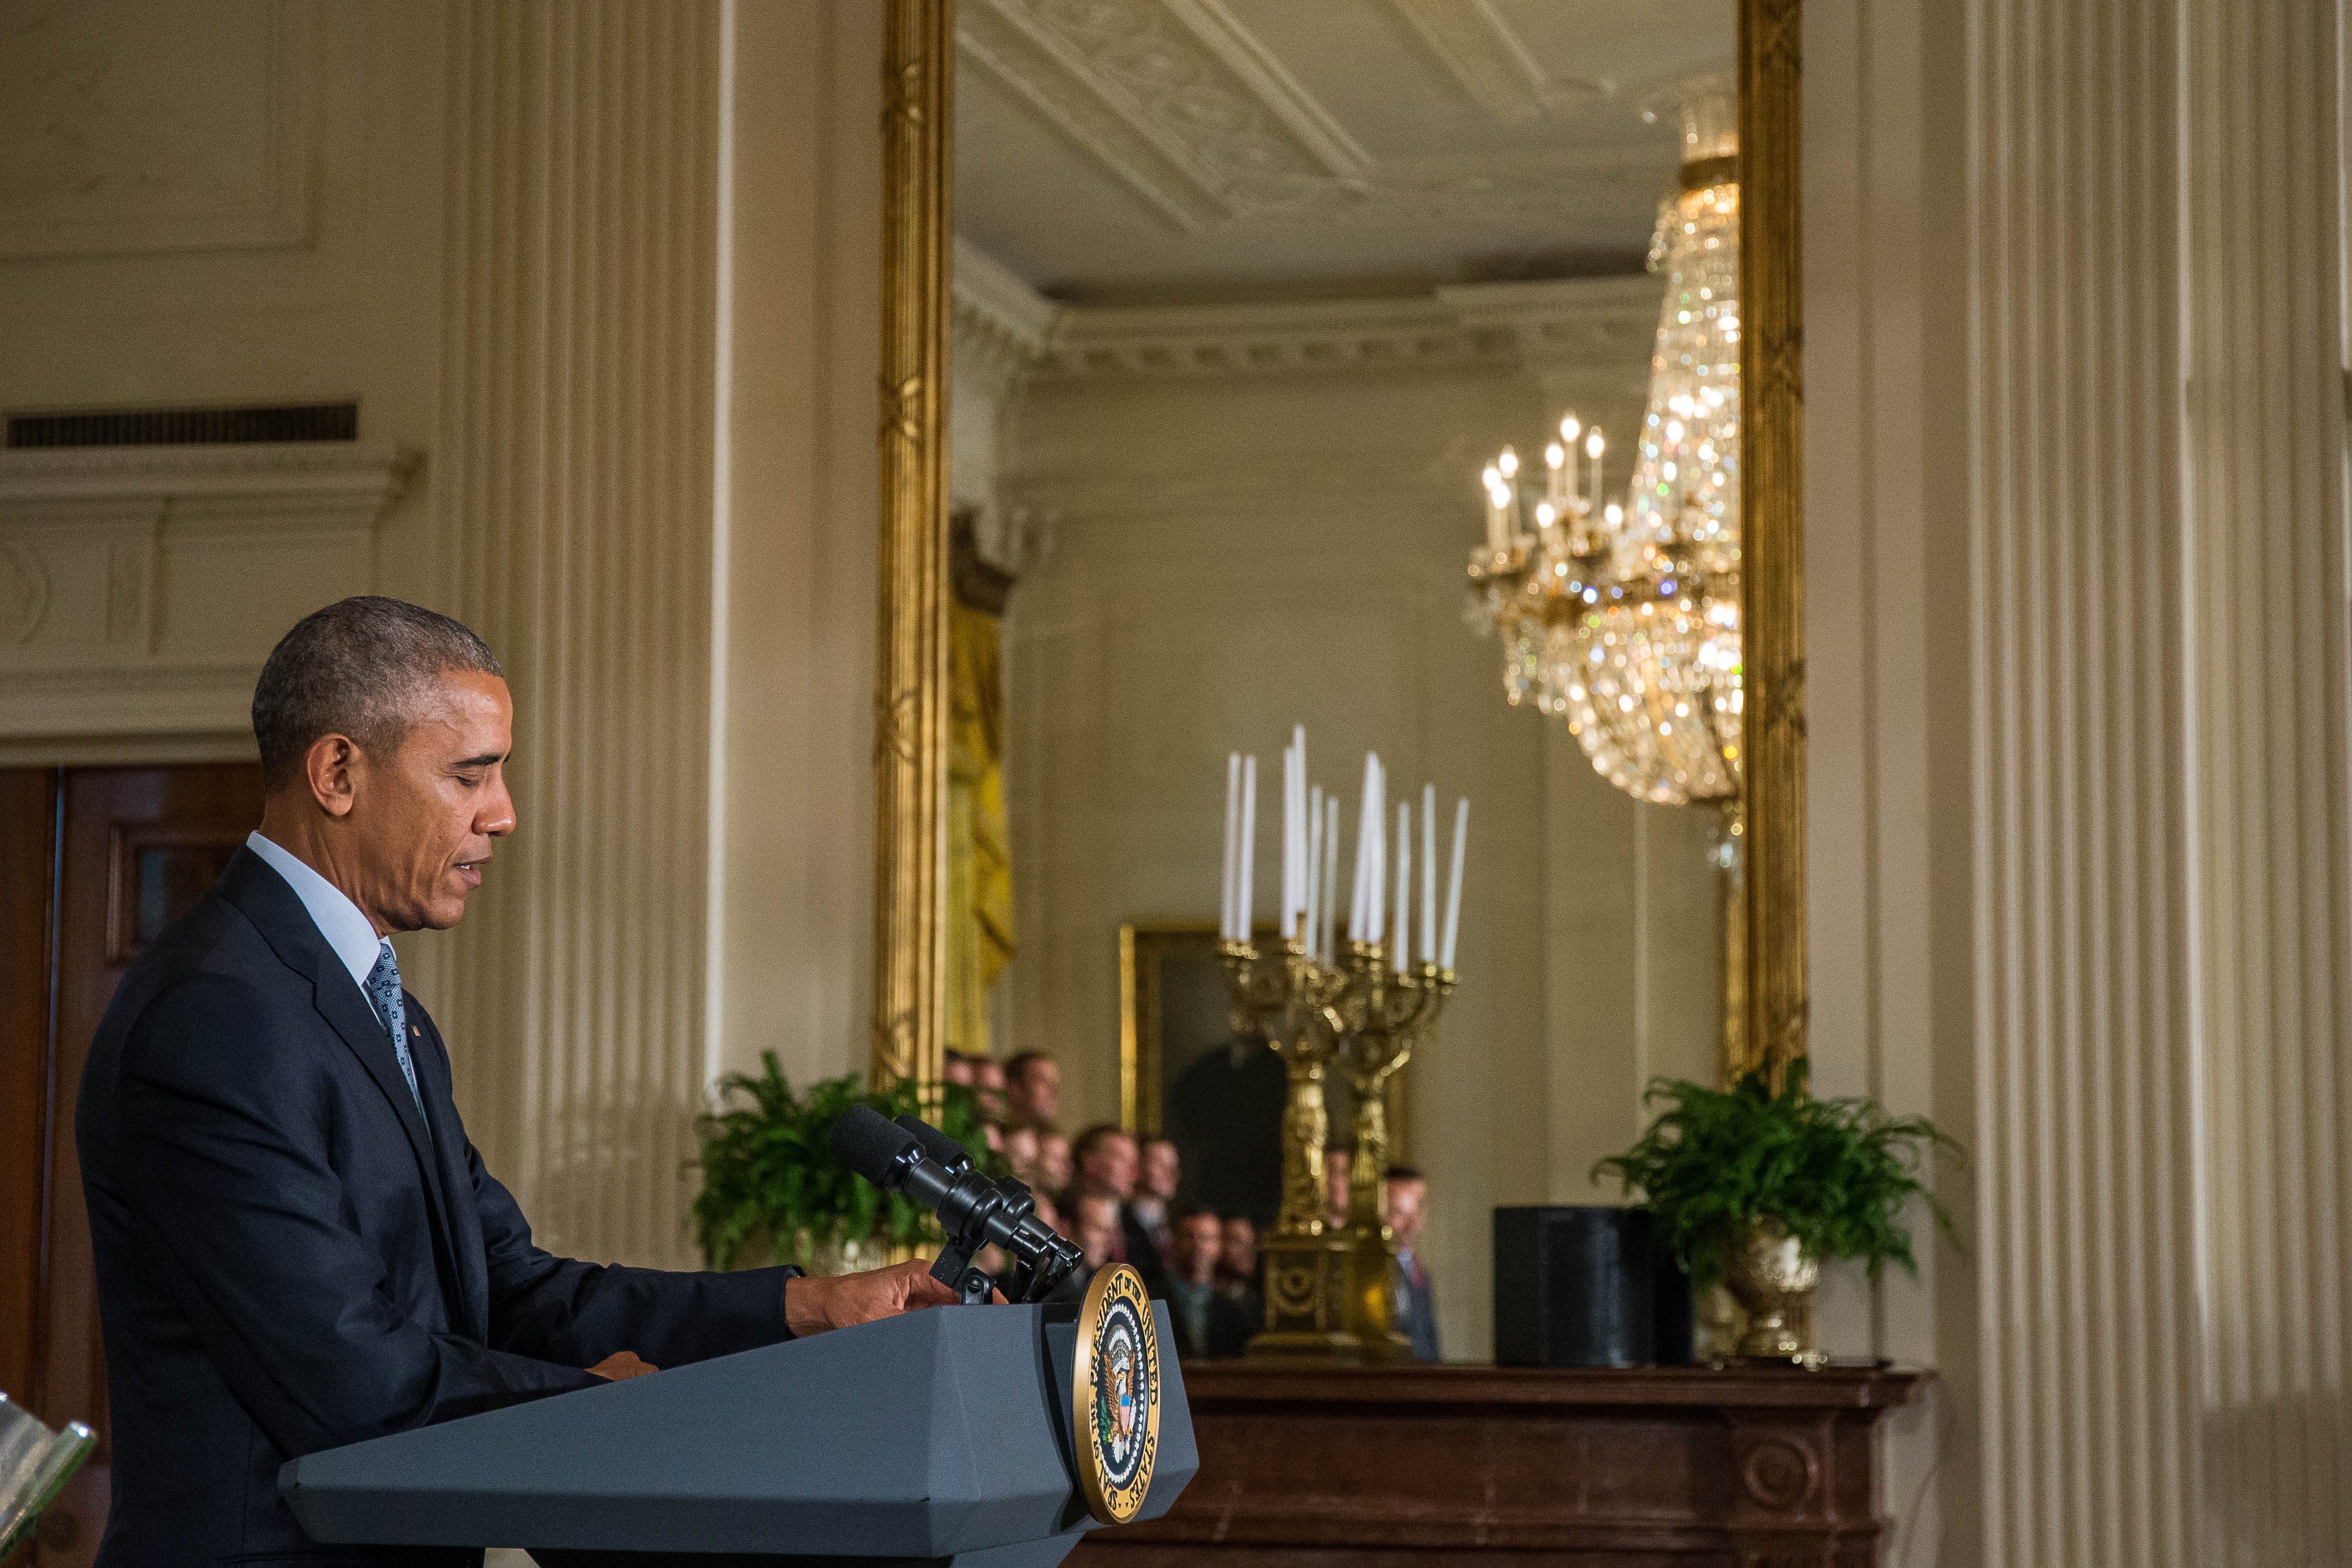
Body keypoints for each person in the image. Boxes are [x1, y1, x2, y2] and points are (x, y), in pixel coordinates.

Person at [74, 598, 957, 1568]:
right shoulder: (216, 1016)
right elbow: (349, 1377)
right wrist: (606, 1407)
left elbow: (512, 1295)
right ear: (338, 774)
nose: (504, 814)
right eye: (470, 775)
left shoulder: (389, 1014)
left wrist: (806, 1308)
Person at [1065, 1124, 1166, 1294]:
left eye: (1134, 1162)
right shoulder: (1060, 1214)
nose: (1133, 1170)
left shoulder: (1135, 1227)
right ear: (1090, 1161)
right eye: (1121, 1158)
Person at [1161, 1206, 1250, 1360]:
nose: (1198, 1246)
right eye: (1189, 1236)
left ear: (1219, 1246)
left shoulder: (1237, 1306)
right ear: (1174, 1242)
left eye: (1206, 1238)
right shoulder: (1151, 1299)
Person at [1385, 1164, 1439, 1363]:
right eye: (1398, 1211)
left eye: (1418, 1209)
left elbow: (1430, 1348)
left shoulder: (1420, 1273)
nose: (1412, 1223)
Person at [1130, 1136, 1180, 1262]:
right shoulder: (1119, 1225)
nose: (1172, 1172)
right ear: (1137, 1168)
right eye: (1160, 1163)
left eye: (1174, 1165)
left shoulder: (1179, 1226)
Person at [1216, 1212, 1261, 1319]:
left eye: (1248, 1242)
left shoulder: (1269, 1284)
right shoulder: (1214, 1289)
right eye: (1236, 1241)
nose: (1246, 1250)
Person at [1002, 1050, 1061, 1130]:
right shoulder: (993, 1138)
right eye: (1043, 1082)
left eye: (1054, 1083)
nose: (1054, 1090)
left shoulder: (1055, 1140)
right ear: (1017, 1089)